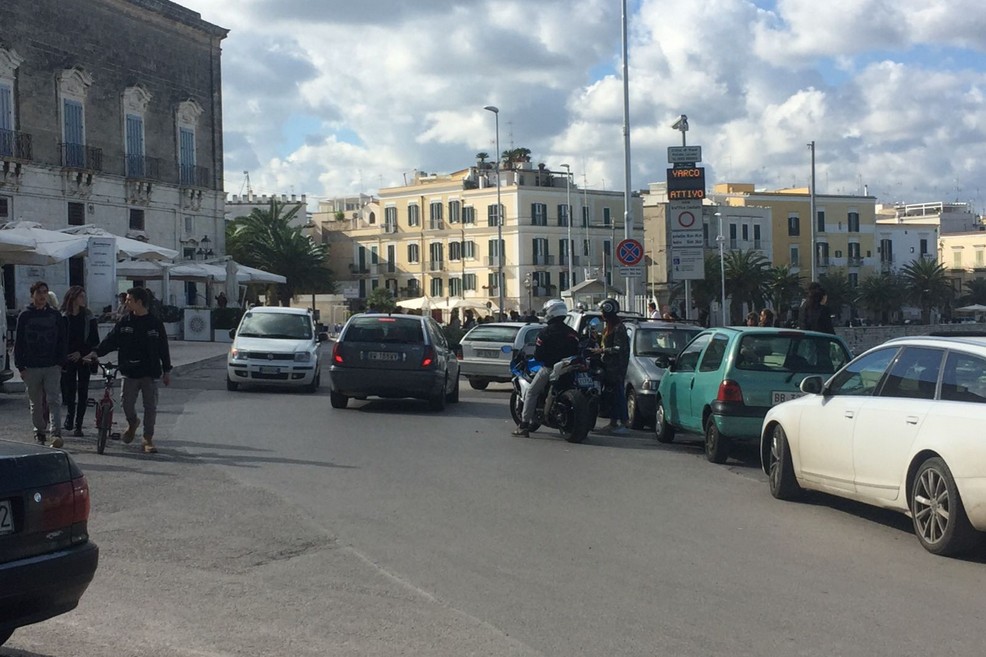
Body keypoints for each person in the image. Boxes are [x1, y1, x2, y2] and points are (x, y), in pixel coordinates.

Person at [87, 287, 172, 454]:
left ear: (139, 302)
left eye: (129, 300)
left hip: (150, 371)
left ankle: (147, 438)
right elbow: (111, 340)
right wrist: (96, 352)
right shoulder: (125, 322)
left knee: (150, 407)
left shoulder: (155, 323)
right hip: (129, 371)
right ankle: (133, 422)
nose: (125, 302)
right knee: (126, 404)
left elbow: (163, 348)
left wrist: (167, 370)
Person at [513, 299, 580, 437]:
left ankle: (524, 425)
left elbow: (538, 355)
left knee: (531, 392)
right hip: (571, 369)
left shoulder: (545, 333)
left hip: (550, 369)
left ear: (550, 313)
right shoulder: (572, 332)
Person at [14, 281, 67, 448]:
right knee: (35, 402)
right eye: (39, 292)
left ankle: (56, 433)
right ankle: (39, 431)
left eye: (45, 292)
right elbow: (19, 342)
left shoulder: (55, 316)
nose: (42, 296)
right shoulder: (25, 316)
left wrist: (60, 362)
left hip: (52, 365)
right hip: (31, 366)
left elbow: (62, 340)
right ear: (33, 295)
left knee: (54, 400)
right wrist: (20, 366)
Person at [60, 286, 100, 437]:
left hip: (84, 358)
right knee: (69, 390)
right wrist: (65, 354)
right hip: (68, 358)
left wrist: (81, 353)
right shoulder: (63, 316)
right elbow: (60, 338)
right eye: (81, 296)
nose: (84, 299)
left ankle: (79, 424)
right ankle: (70, 417)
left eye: (84, 296)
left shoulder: (89, 317)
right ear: (73, 298)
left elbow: (94, 339)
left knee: (83, 391)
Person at [597, 298, 631, 434]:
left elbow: (618, 348)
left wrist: (603, 351)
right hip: (608, 366)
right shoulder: (608, 327)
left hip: (616, 368)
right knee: (611, 395)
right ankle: (613, 421)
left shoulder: (619, 328)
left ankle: (623, 421)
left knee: (618, 394)